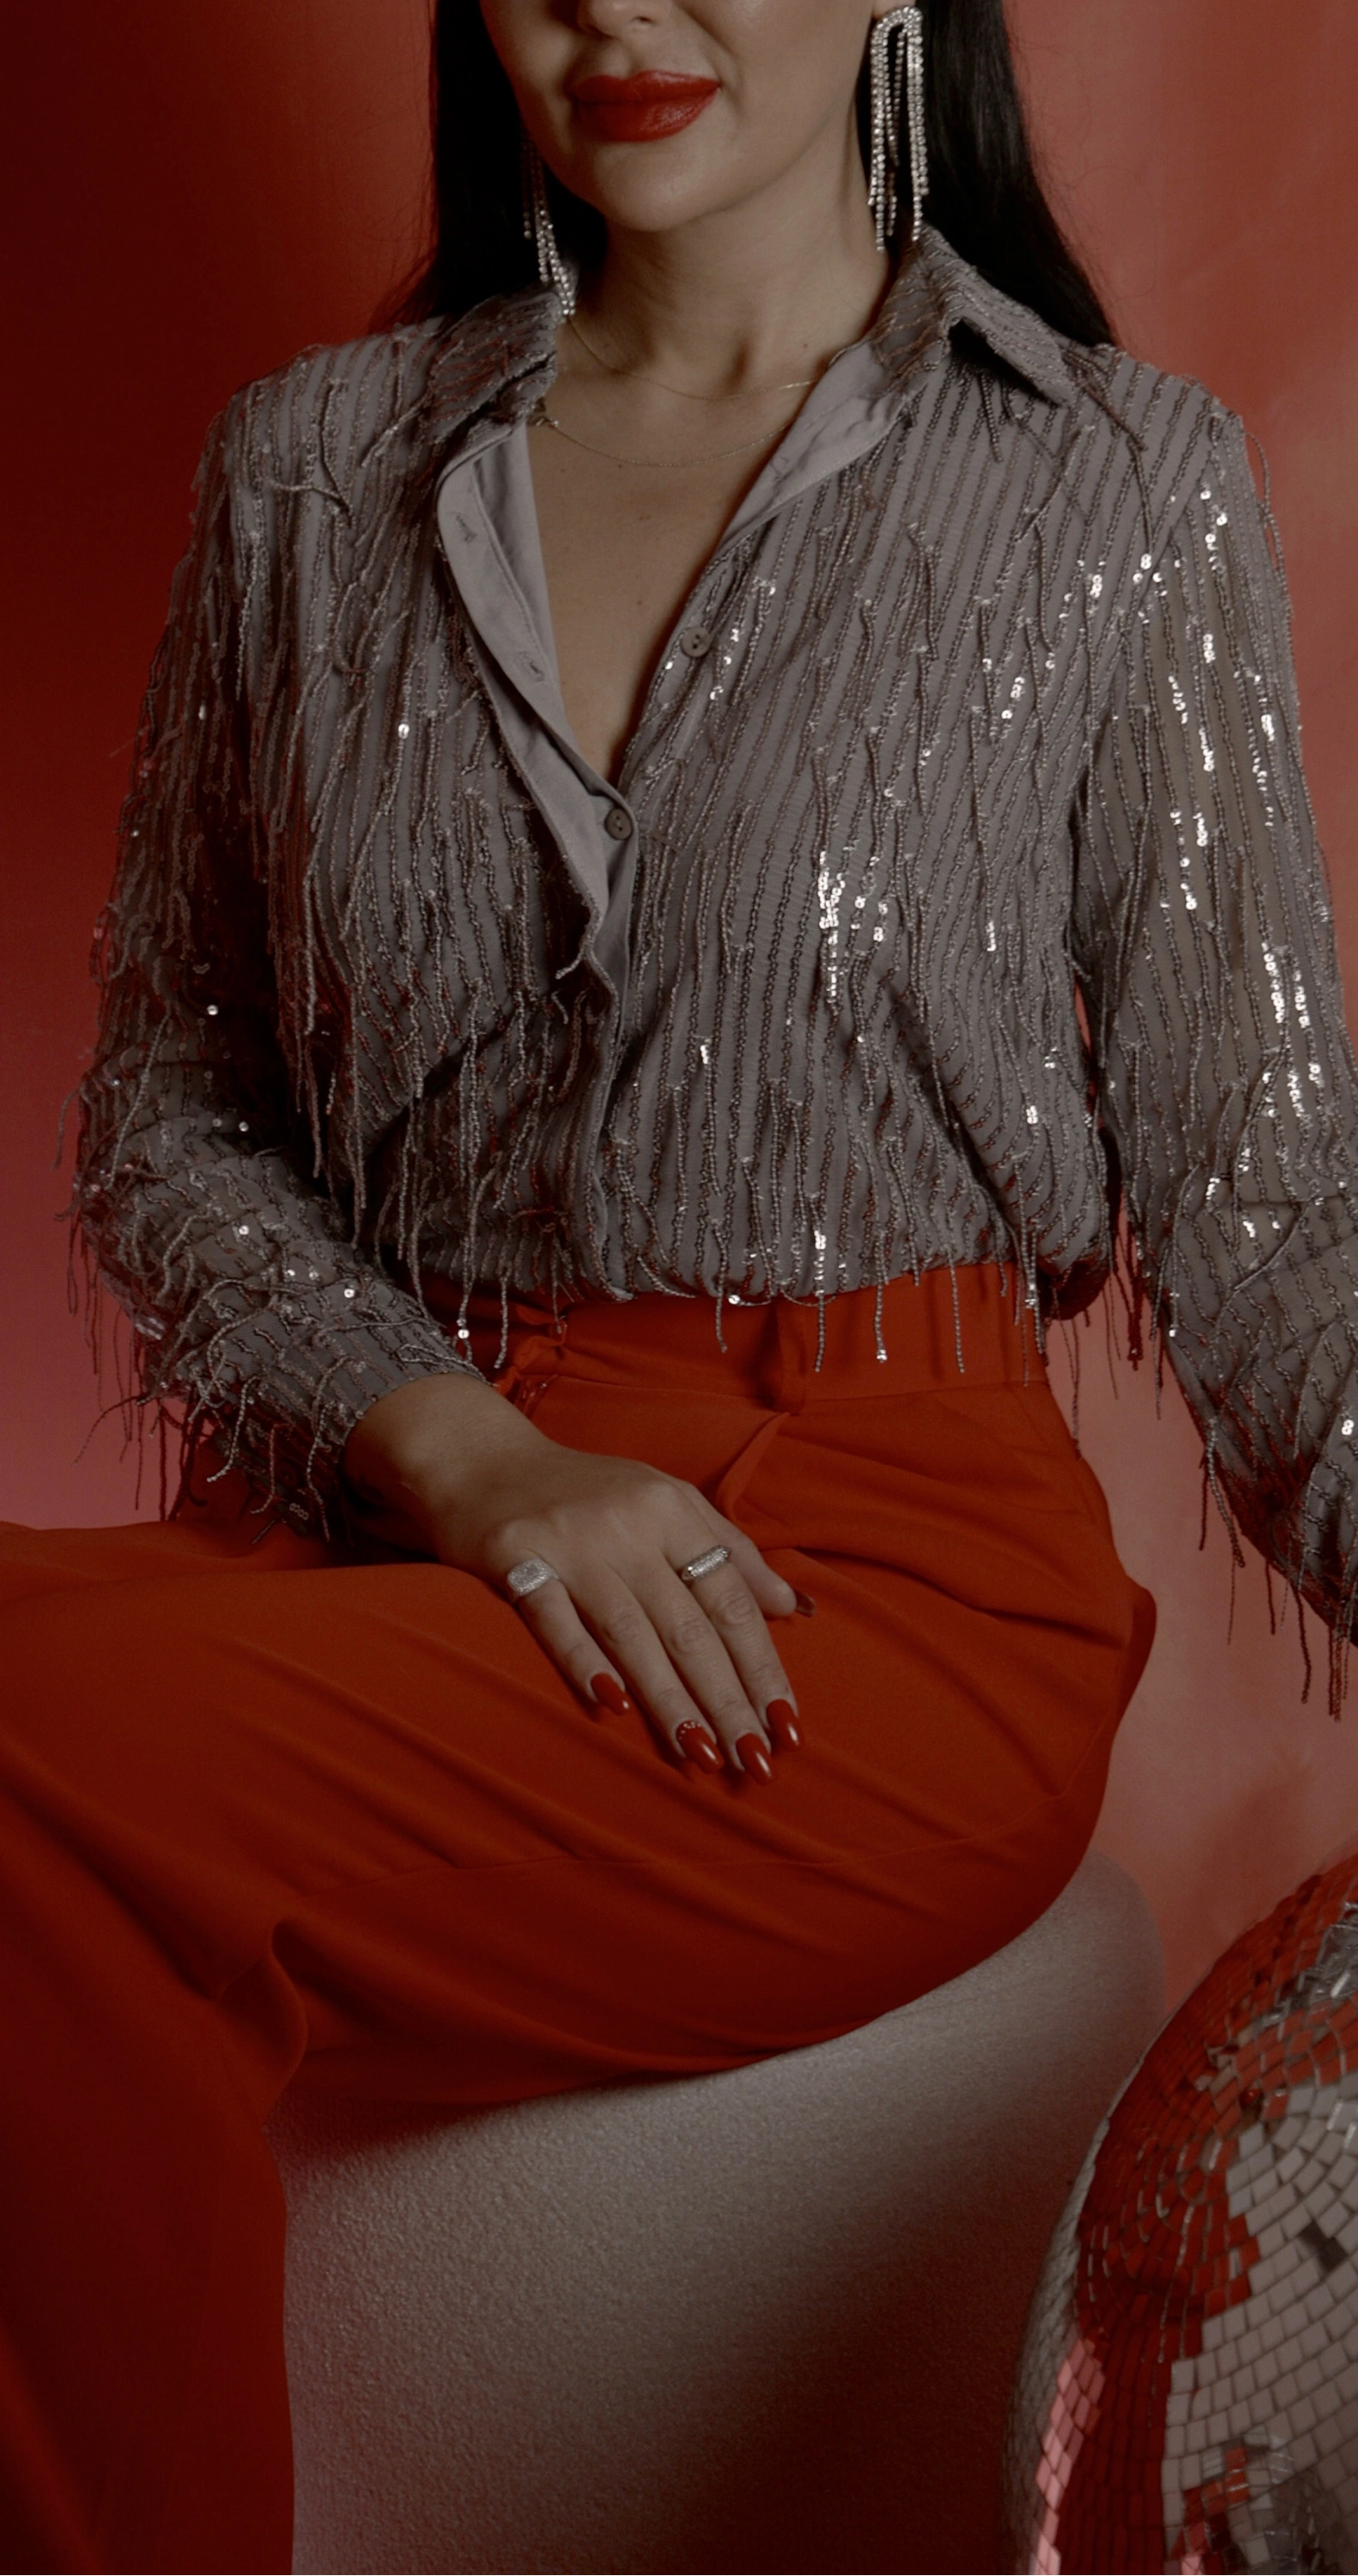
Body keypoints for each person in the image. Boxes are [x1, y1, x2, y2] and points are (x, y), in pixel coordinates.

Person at [3, 0, 1355, 2567]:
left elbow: (1269, 1215)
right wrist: (474, 1461)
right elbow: (171, 1110)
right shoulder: (313, 473)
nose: (614, 5)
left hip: (867, 1588)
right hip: (412, 1523)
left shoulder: (1105, 485)